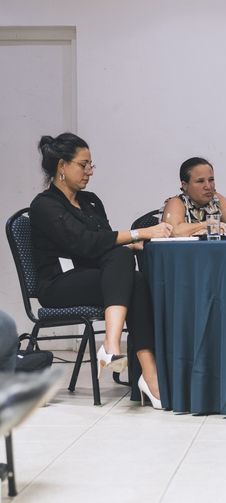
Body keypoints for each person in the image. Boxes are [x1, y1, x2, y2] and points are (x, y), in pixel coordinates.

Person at [29, 133, 172, 409]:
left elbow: (102, 243)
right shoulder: (44, 205)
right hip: (57, 284)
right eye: (83, 165)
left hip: (96, 277)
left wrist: (130, 244)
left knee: (133, 276)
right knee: (128, 269)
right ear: (62, 166)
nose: (89, 171)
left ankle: (129, 358)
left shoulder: (90, 201)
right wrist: (138, 233)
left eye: (91, 165)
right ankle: (133, 361)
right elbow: (85, 243)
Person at [162, 156, 226, 237]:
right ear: (185, 185)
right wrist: (208, 224)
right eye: (200, 181)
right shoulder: (176, 202)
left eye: (211, 180)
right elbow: (173, 231)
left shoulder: (216, 200)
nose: (208, 186)